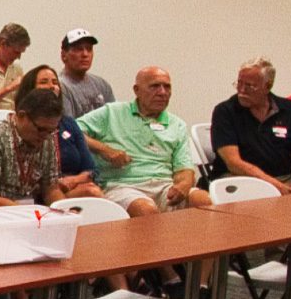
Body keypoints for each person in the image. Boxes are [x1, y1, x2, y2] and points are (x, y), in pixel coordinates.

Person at [77, 66, 212, 216]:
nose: (162, 92)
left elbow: (184, 168)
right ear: (137, 90)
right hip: (122, 186)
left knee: (203, 200)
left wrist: (183, 185)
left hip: (164, 186)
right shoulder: (112, 113)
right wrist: (105, 150)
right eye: (155, 86)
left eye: (167, 87)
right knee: (145, 209)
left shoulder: (177, 124)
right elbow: (71, 131)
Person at [210, 57, 291, 192]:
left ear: (268, 86)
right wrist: (277, 187)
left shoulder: (290, 109)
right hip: (241, 180)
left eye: (249, 86)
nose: (241, 90)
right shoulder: (225, 112)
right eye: (239, 83)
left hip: (285, 179)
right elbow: (234, 163)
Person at [0, 88, 69, 207]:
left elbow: (51, 191)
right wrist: (25, 212)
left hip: (28, 210)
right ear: (22, 116)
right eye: (41, 129)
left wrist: (64, 210)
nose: (46, 136)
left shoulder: (48, 137)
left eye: (52, 131)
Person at [16, 65, 102, 198]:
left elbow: (92, 170)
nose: (52, 86)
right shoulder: (24, 124)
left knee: (91, 190)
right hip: (40, 192)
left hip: (71, 186)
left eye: (55, 82)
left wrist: (74, 180)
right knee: (91, 192)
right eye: (44, 82)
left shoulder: (68, 123)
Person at [57, 28, 113, 118]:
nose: (85, 54)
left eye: (89, 49)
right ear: (64, 55)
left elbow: (113, 119)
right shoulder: (61, 86)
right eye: (78, 49)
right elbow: (69, 126)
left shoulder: (102, 85)